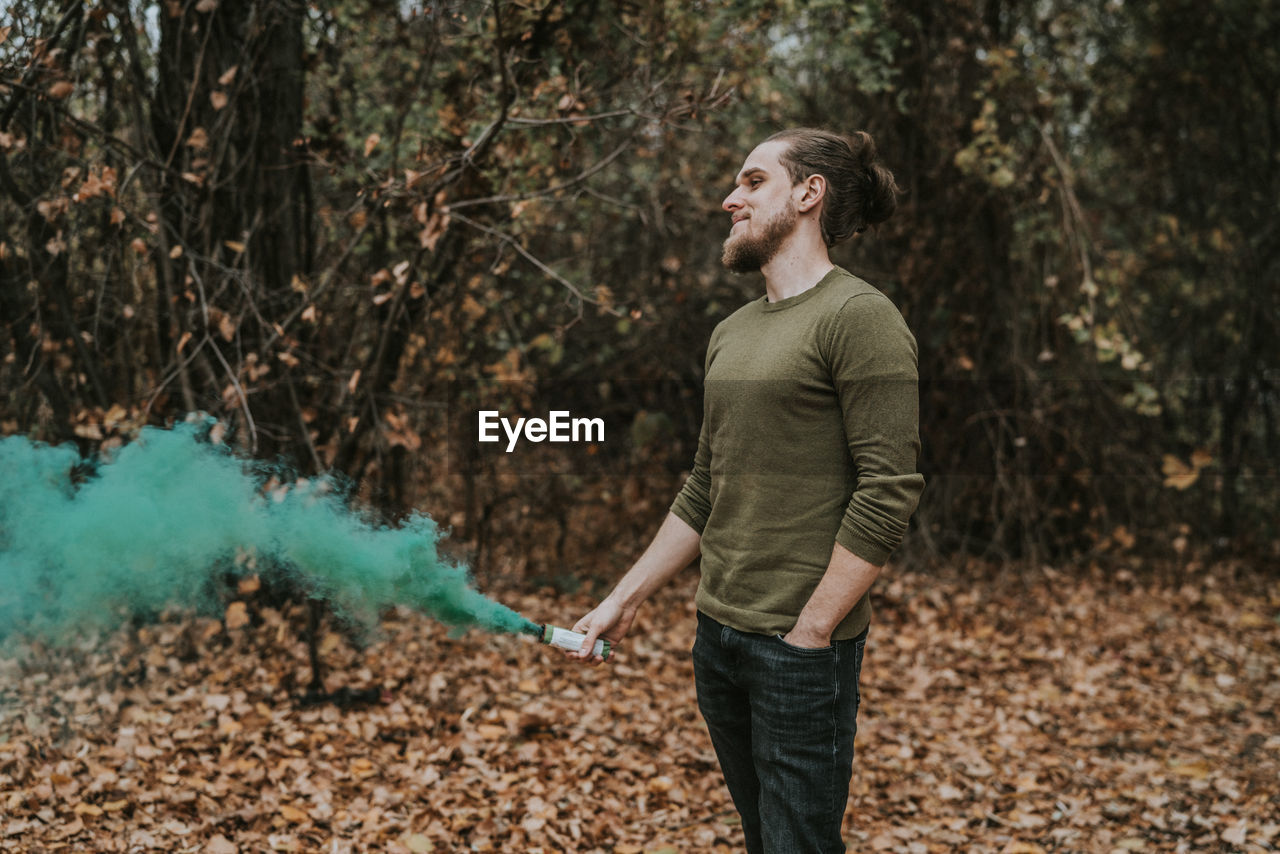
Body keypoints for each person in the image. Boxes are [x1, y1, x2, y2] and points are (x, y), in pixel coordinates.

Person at [569, 127, 924, 853]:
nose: (731, 198)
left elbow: (888, 491)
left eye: (752, 181)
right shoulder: (731, 332)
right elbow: (705, 486)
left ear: (808, 194)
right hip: (719, 637)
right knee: (766, 838)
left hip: (798, 648)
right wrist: (622, 599)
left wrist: (812, 633)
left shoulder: (859, 318)